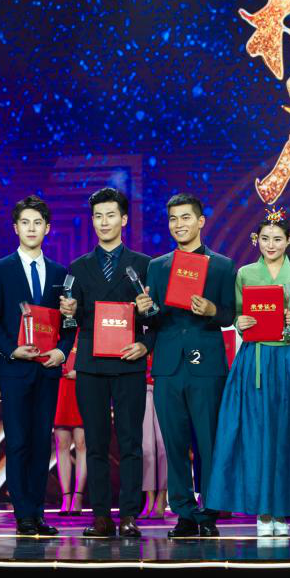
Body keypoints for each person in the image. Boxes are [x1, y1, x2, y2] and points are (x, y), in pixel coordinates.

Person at [206, 208, 290, 535]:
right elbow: (234, 314)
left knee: (286, 432)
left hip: (287, 359)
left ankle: (282, 510)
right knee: (255, 434)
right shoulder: (244, 274)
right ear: (256, 240)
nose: (271, 245)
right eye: (265, 239)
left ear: (288, 242)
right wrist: (239, 321)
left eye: (278, 239)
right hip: (254, 359)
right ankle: (262, 510)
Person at [136, 193, 235, 538]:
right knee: (173, 444)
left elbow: (231, 314)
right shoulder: (157, 266)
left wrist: (212, 310)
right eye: (173, 219)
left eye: (186, 217)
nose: (179, 224)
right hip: (167, 365)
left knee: (208, 442)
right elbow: (154, 319)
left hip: (206, 365)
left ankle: (209, 512)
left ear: (201, 221)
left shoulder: (222, 265)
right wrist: (145, 310)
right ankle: (184, 513)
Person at [58, 187, 151, 539]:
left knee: (130, 443)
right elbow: (71, 323)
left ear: (124, 219)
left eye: (111, 215)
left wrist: (145, 345)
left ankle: (129, 515)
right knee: (94, 443)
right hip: (91, 366)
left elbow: (155, 318)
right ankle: (100, 516)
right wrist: (68, 313)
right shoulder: (78, 267)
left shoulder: (143, 265)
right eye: (98, 216)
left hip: (129, 363)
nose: (104, 222)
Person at [0, 195, 69, 536]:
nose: (31, 229)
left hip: (47, 369)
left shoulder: (60, 272)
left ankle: (38, 512)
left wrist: (62, 350)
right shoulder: (0, 269)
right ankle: (23, 514)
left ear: (47, 228)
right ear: (15, 228)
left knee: (41, 443)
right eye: (25, 223)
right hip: (15, 370)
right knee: (17, 442)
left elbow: (69, 320)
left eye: (38, 223)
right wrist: (11, 350)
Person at [52, 350, 86, 518]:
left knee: (81, 443)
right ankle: (66, 497)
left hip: (82, 385)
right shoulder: (59, 335)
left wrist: (82, 372)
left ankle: (78, 496)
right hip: (60, 385)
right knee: (62, 443)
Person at [141, 354, 167, 519]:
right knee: (147, 447)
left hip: (164, 383)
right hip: (142, 385)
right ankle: (149, 497)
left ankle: (162, 495)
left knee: (164, 445)